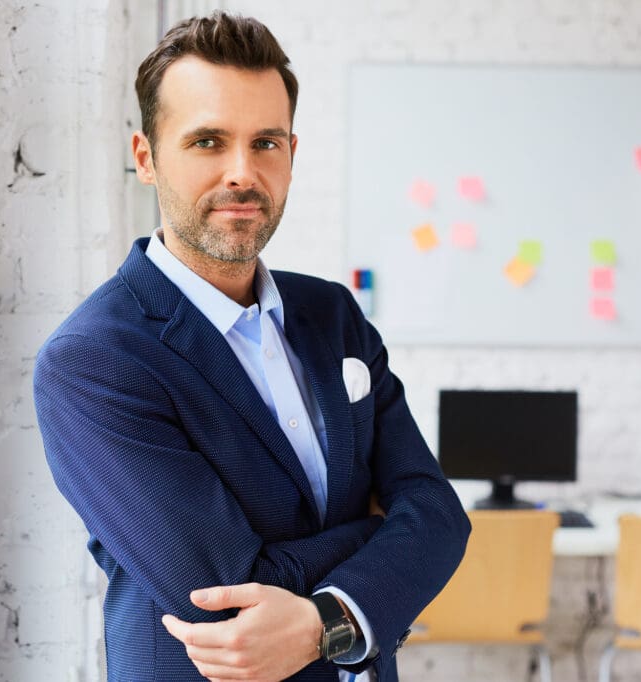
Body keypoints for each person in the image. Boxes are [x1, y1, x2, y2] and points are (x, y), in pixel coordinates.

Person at [33, 11, 470, 682]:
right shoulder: (95, 359)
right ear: (146, 158)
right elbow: (226, 592)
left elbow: (440, 515)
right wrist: (384, 534)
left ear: (291, 154)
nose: (242, 172)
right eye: (208, 141)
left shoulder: (331, 313)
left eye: (265, 143)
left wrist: (331, 616)